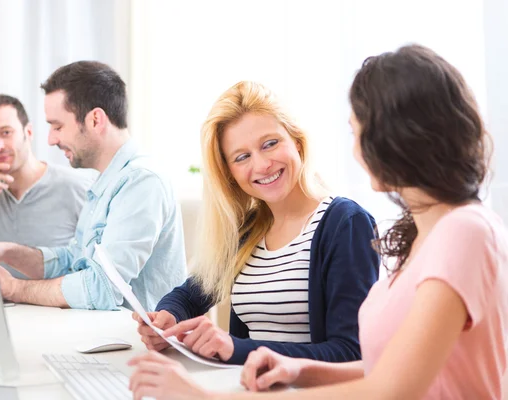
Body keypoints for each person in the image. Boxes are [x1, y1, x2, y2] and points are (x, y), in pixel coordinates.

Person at [127, 45, 508, 400]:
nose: (355, 148)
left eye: (357, 131)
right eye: (241, 156)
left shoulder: (463, 232)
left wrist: (208, 397)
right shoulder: (424, 235)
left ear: (396, 139)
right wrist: (297, 369)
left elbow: (390, 389)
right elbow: (381, 370)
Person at [133, 81, 380, 366]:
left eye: (270, 144)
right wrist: (166, 319)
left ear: (297, 142)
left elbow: (350, 353)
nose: (262, 165)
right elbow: (189, 297)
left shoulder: (346, 224)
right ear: (230, 174)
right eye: (242, 157)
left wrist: (237, 348)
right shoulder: (249, 230)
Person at [0, 61, 187, 310]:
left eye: (57, 126)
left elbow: (101, 289)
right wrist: (8, 252)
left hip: (141, 341)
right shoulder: (104, 182)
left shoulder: (142, 182)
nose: (51, 139)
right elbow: (74, 261)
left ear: (95, 120)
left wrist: (13, 288)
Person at [0, 94, 94, 278]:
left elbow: (98, 271)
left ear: (28, 132)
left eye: (6, 132)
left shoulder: (77, 188)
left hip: (59, 305)